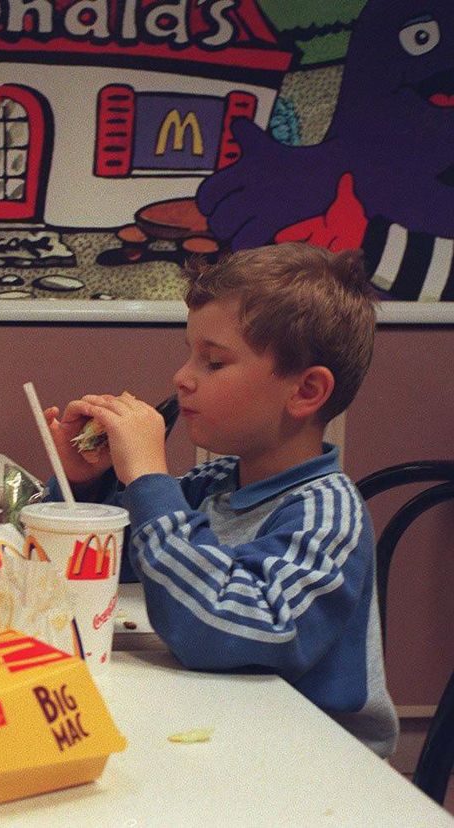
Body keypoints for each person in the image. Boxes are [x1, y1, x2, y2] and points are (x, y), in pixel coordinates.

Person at [44, 243, 399, 758]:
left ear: (305, 392)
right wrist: (83, 484)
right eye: (189, 354)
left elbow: (225, 632)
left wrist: (148, 476)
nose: (182, 377)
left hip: (314, 759)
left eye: (213, 362)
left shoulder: (328, 513)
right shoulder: (212, 484)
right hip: (227, 726)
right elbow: (104, 565)